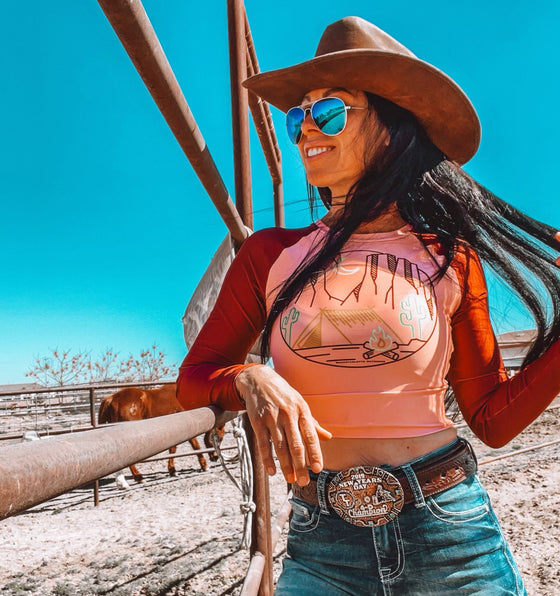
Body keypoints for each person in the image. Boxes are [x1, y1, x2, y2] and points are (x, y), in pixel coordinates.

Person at [176, 16, 560, 595]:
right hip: (321, 541)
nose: (305, 130)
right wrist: (250, 377)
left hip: (451, 533)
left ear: (390, 129)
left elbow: (492, 419)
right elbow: (194, 379)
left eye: (328, 111)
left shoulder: (450, 258)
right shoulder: (269, 255)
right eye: (296, 116)